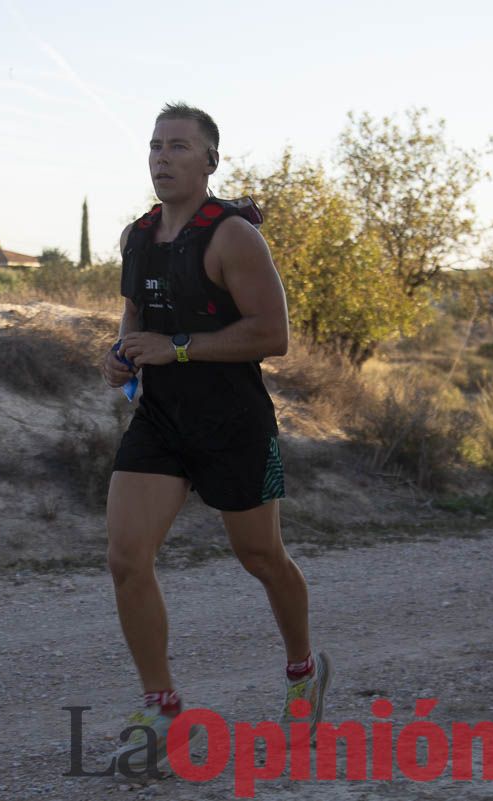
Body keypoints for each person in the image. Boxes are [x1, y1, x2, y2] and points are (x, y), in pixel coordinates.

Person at [100, 101, 332, 774]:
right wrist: (120, 355)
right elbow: (133, 320)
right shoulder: (138, 236)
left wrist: (175, 347)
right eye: (155, 145)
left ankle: (303, 672)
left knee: (261, 557)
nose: (162, 157)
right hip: (161, 422)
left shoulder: (233, 237)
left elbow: (273, 335)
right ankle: (163, 708)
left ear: (210, 161)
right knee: (125, 558)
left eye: (178, 146)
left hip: (233, 424)